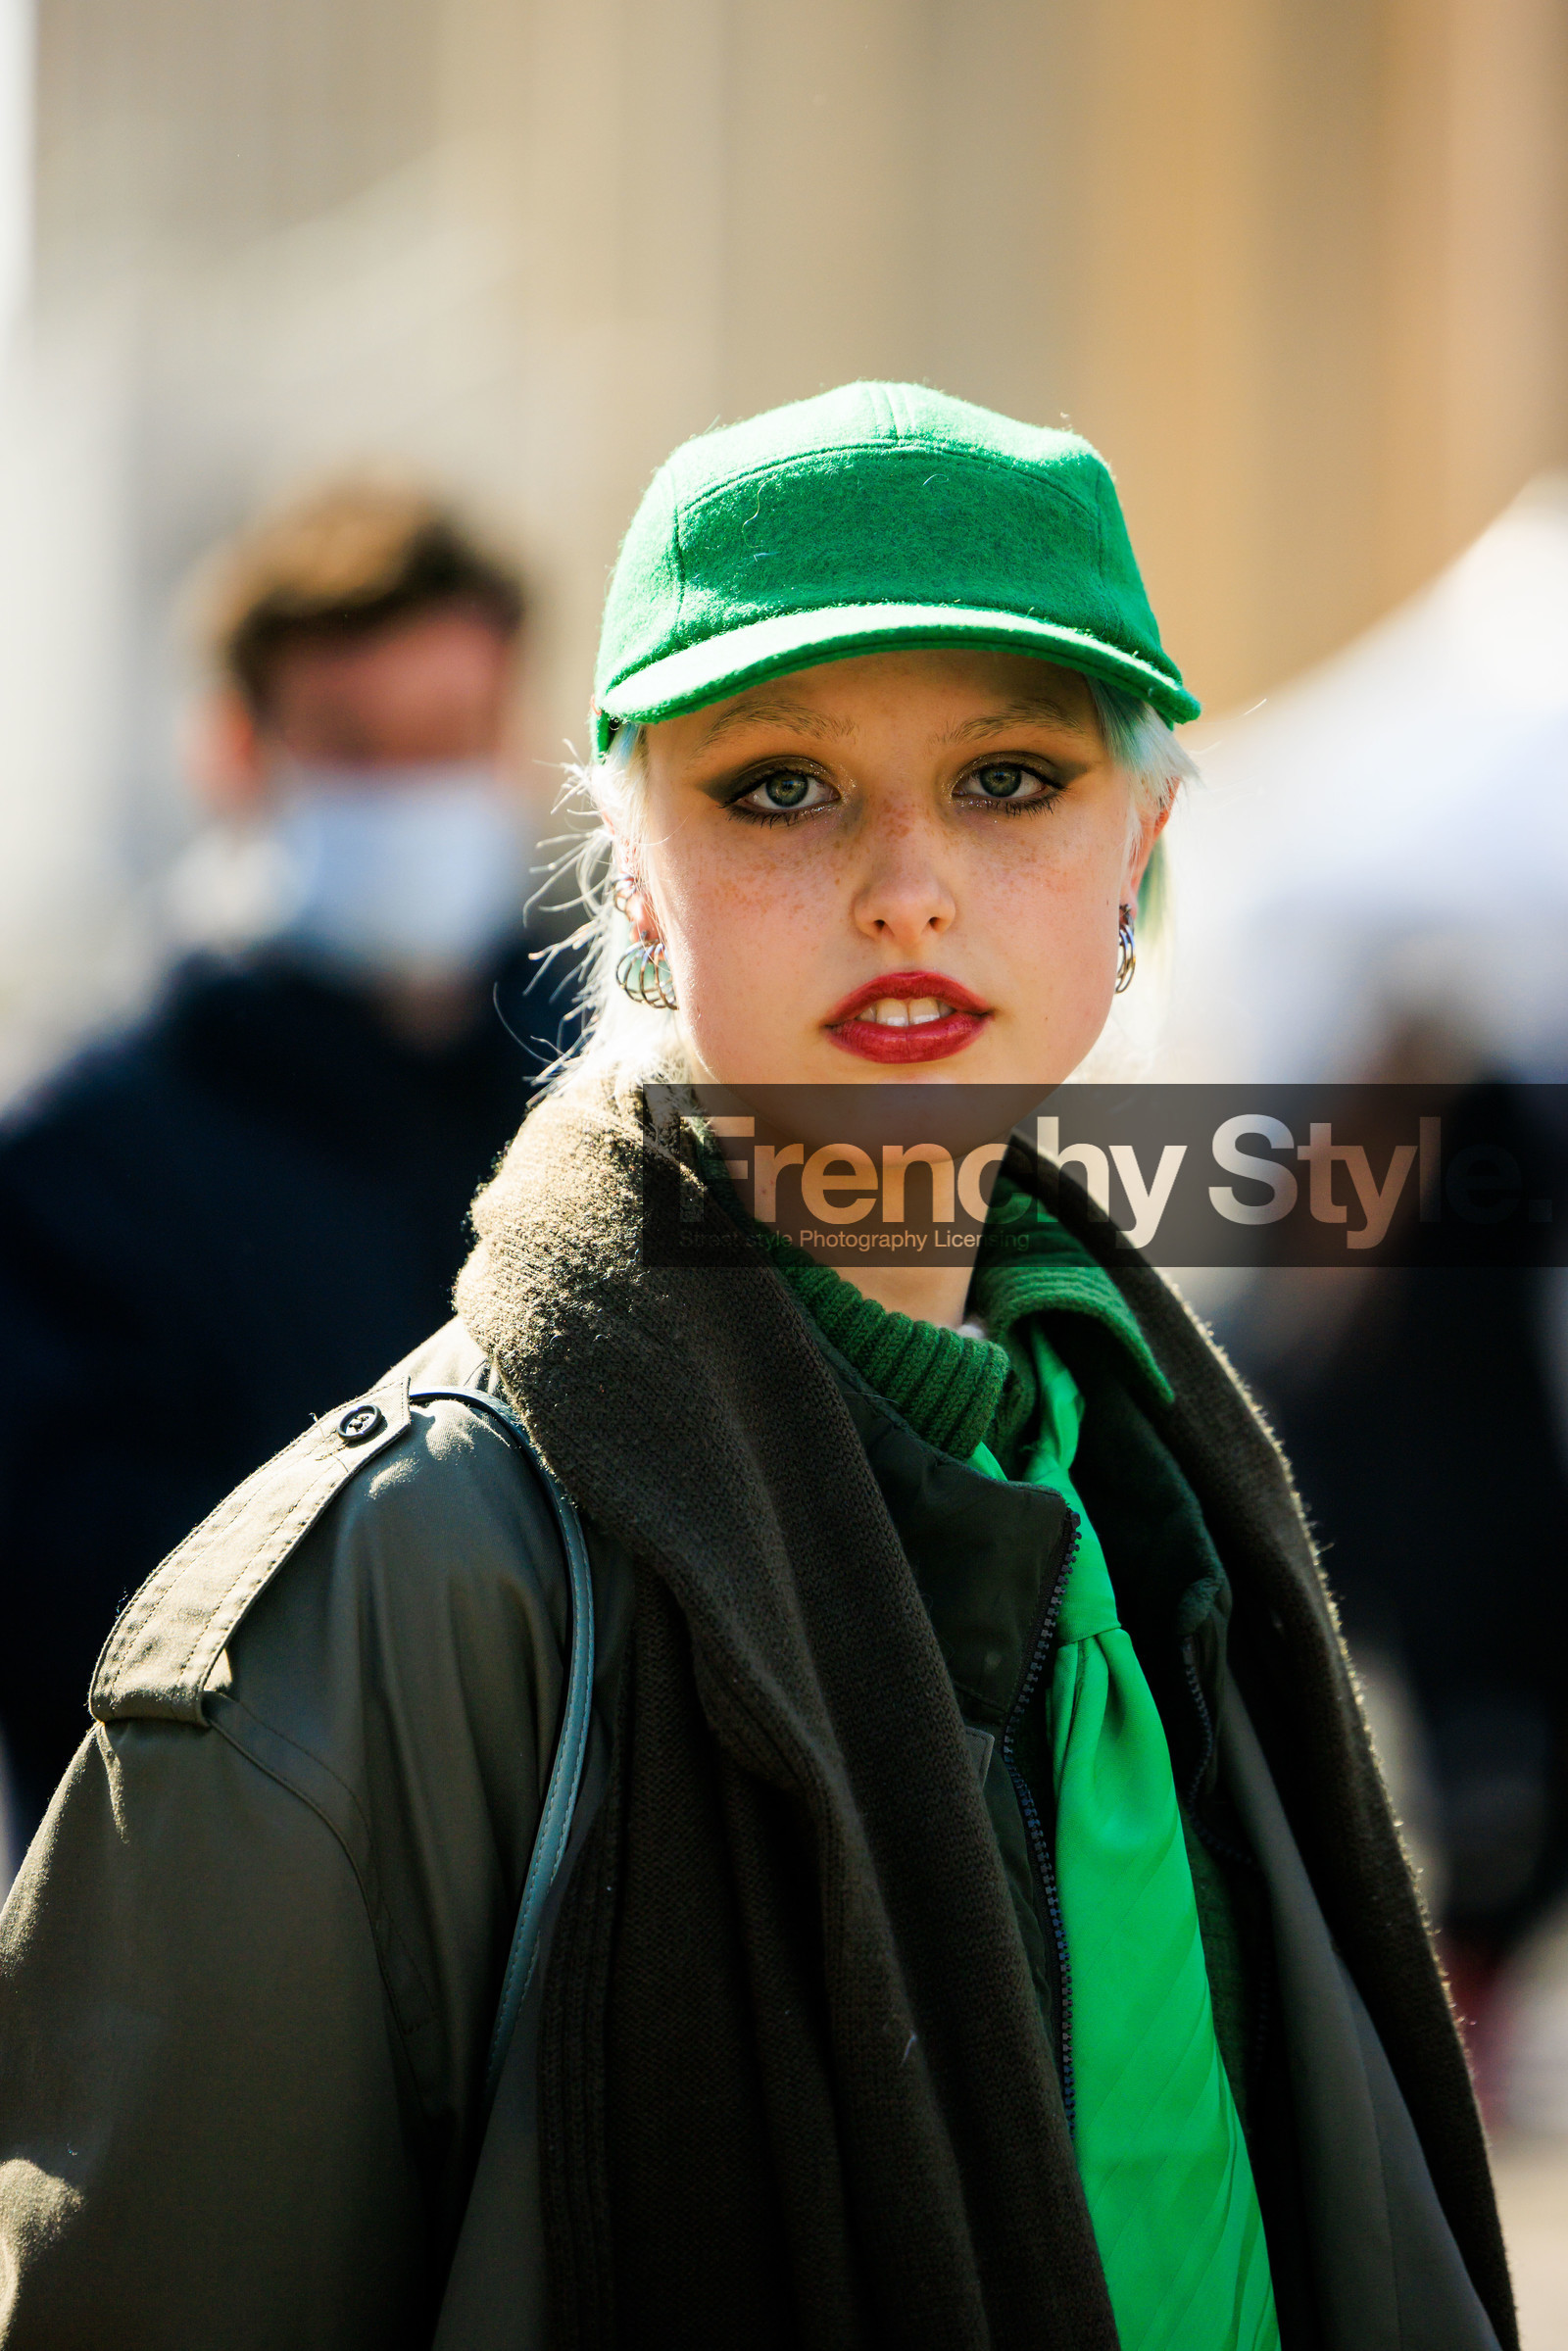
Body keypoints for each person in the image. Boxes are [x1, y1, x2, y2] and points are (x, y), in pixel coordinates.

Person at [0, 385, 1513, 2350]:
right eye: (779, 786)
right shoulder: (393, 1591)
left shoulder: (1175, 1502)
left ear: (1139, 846)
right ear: (632, 879)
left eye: (1007, 780)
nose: (904, 883)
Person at [0, 482, 576, 1836]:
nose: (412, 792)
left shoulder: (617, 1093)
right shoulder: (78, 1165)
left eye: (451, 737)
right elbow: (93, 1643)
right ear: (237, 752)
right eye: (354, 745)